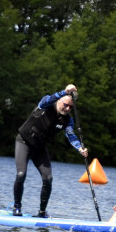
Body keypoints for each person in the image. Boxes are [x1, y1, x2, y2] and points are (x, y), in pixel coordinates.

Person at [13, 85, 88, 217]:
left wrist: (80, 148)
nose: (67, 108)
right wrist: (65, 92)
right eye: (65, 105)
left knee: (48, 178)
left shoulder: (67, 120)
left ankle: (42, 212)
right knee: (21, 174)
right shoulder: (46, 104)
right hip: (24, 142)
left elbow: (71, 135)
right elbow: (51, 98)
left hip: (39, 148)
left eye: (71, 107)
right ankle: (17, 207)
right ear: (59, 101)